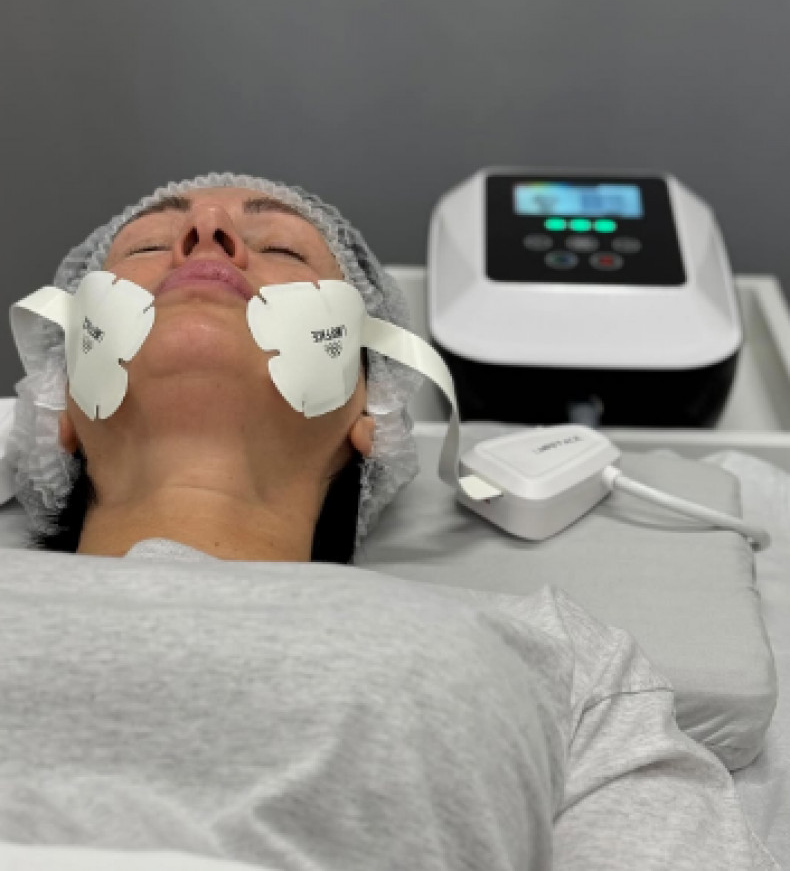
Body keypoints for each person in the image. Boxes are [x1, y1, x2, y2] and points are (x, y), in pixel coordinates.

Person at [0, 174, 778, 870]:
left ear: (371, 410)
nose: (208, 233)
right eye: (146, 244)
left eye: (282, 247)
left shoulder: (564, 663)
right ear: (58, 405)